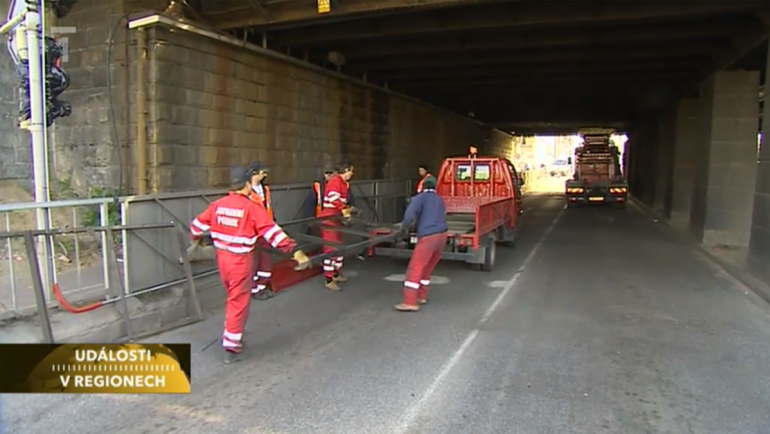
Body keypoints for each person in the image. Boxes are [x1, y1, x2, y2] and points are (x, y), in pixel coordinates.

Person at [190, 166, 311, 364]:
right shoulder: (251, 208)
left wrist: (196, 239)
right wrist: (295, 252)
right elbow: (273, 233)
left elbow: (197, 226)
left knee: (232, 297)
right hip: (240, 261)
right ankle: (232, 346)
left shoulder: (217, 205)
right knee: (238, 301)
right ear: (247, 184)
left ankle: (232, 331)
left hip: (222, 259)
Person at [394, 176, 448, 312]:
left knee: (415, 267)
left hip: (428, 236)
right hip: (442, 235)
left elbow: (410, 214)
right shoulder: (440, 200)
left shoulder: (420, 198)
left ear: (423, 187)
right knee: (427, 267)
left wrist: (404, 228)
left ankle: (410, 301)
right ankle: (421, 296)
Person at [318, 160, 355, 291]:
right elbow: (334, 198)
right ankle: (329, 279)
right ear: (346, 170)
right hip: (329, 219)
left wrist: (347, 209)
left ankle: (336, 273)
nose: (352, 173)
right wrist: (344, 209)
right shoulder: (335, 181)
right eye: (351, 170)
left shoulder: (344, 184)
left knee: (339, 246)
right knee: (330, 249)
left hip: (336, 218)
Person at [247, 161, 276, 301]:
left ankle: (262, 285)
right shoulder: (245, 190)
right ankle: (254, 288)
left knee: (265, 260)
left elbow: (268, 208)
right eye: (262, 172)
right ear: (254, 173)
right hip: (252, 231)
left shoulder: (265, 189)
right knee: (253, 261)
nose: (265, 175)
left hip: (265, 228)